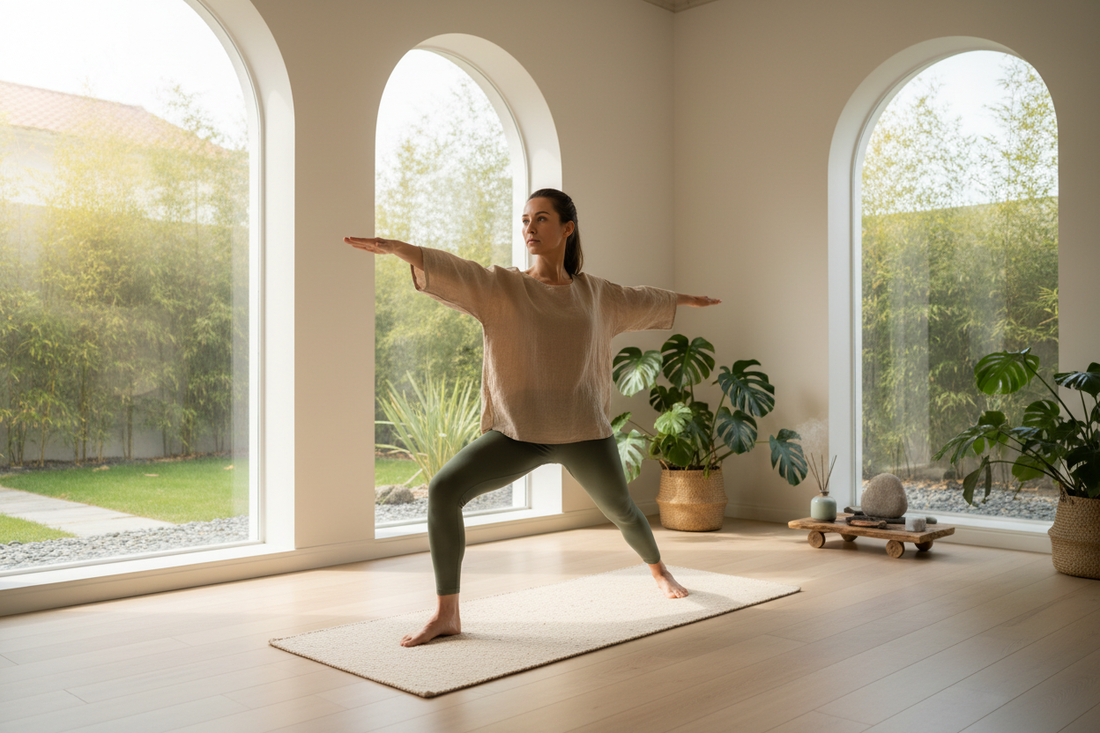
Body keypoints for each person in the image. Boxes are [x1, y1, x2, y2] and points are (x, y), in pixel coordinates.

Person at [346, 188, 721, 647]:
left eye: (541, 219)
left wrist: (688, 300)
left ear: (567, 228)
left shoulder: (597, 294)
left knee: (622, 511)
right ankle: (447, 613)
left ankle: (659, 571)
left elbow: (642, 297)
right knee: (444, 489)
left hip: (583, 430)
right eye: (525, 220)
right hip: (519, 432)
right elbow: (455, 270)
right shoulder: (503, 287)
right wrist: (399, 248)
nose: (529, 228)